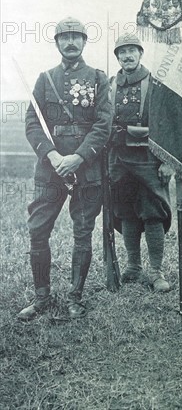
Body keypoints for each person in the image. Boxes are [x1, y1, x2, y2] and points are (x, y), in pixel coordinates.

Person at [18, 17, 112, 320]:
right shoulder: (45, 79)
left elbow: (103, 124)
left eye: (76, 37)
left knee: (83, 232)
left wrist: (80, 157)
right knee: (37, 230)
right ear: (57, 43)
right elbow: (33, 123)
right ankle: (41, 297)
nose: (70, 42)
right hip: (50, 169)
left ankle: (75, 297)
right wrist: (52, 155)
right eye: (64, 37)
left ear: (85, 42)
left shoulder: (98, 78)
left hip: (87, 170)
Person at [108, 33, 173, 292]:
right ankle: (133, 266)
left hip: (149, 159)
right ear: (118, 57)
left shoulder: (155, 83)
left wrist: (167, 161)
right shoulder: (110, 84)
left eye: (132, 50)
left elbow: (168, 124)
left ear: (140, 53)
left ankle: (156, 271)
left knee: (153, 213)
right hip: (119, 160)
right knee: (125, 212)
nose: (127, 56)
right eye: (122, 52)